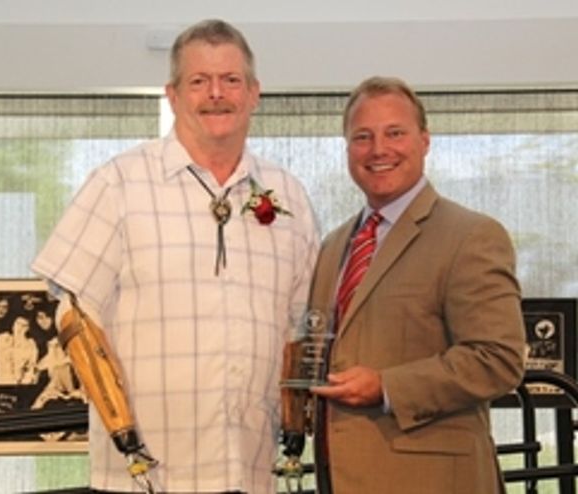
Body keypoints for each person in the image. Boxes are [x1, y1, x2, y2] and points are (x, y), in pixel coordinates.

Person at [31, 19, 319, 494]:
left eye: (231, 80)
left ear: (254, 93)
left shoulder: (287, 194)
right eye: (199, 81)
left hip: (252, 471)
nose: (216, 94)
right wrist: (125, 436)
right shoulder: (117, 183)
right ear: (173, 94)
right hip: (145, 477)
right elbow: (76, 317)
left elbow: (302, 325)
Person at [308, 76, 526, 494]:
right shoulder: (333, 245)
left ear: (424, 141)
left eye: (395, 133)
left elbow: (498, 359)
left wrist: (388, 387)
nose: (378, 150)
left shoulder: (472, 235)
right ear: (347, 149)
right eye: (362, 137)